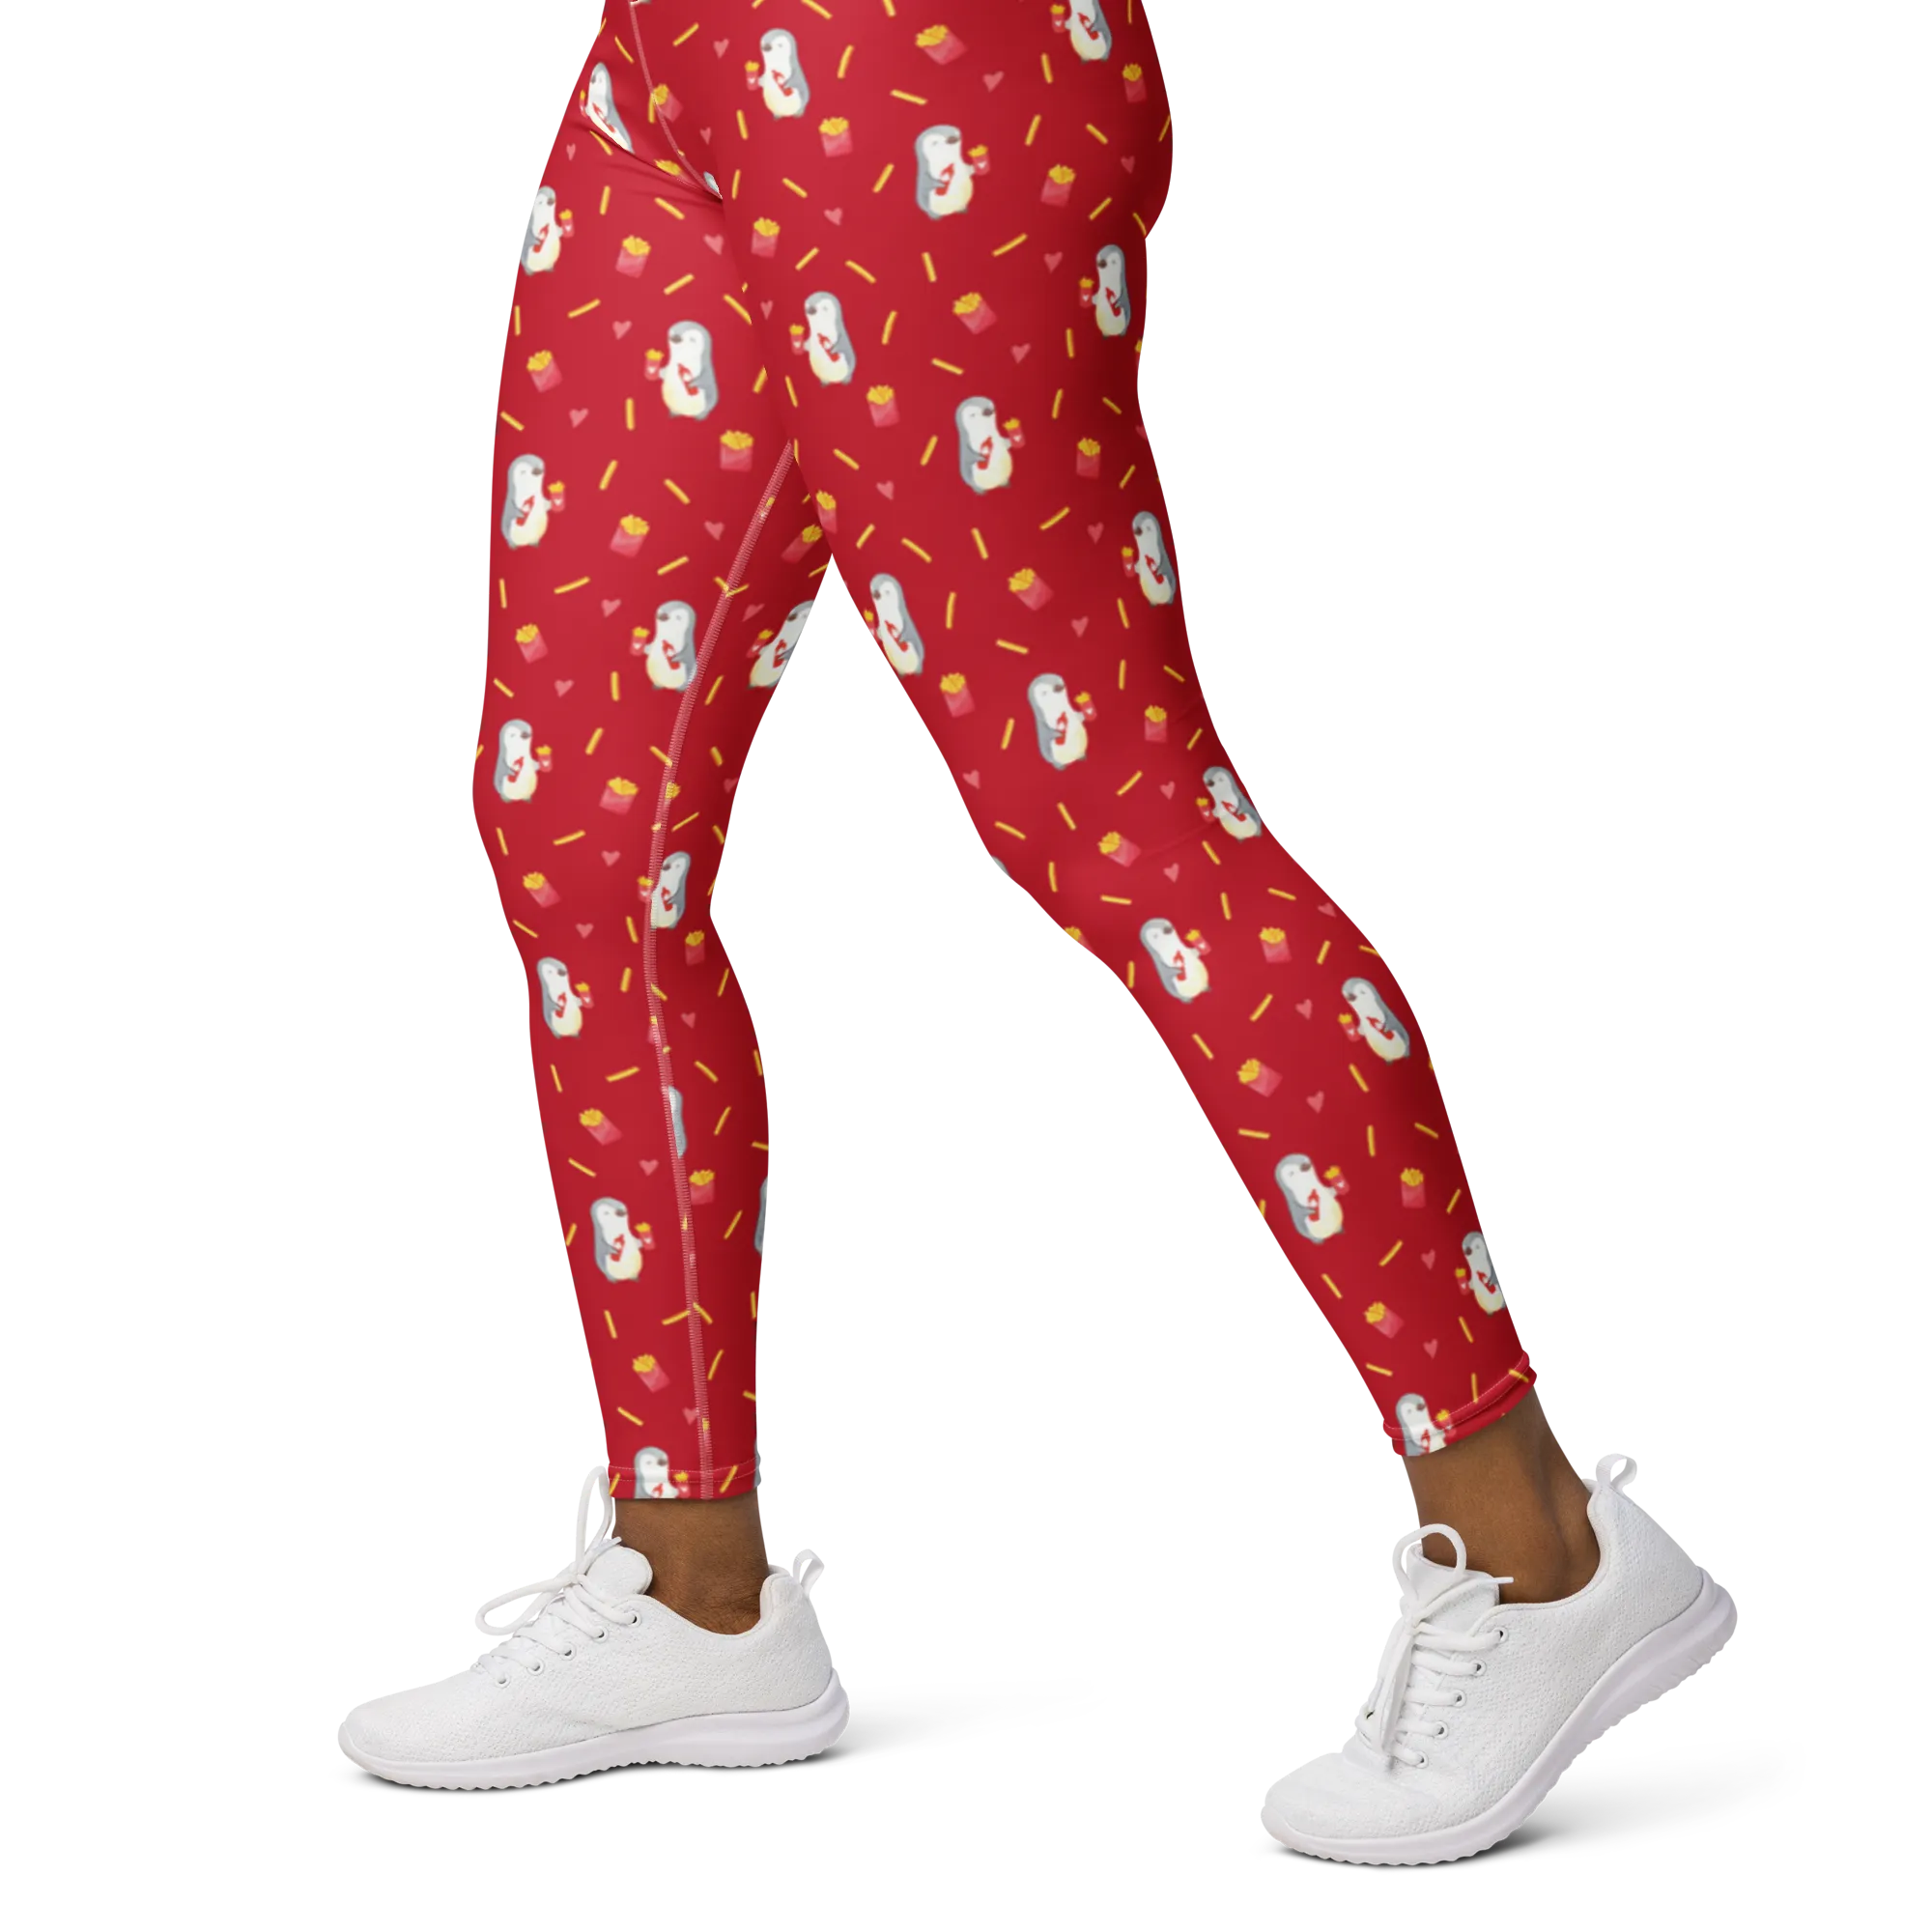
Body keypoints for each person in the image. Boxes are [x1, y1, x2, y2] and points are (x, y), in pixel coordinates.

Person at [333, 1, 1737, 1836]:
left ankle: (1551, 1557)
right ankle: (694, 1596)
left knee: (1120, 819)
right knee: (580, 849)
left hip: (925, 60)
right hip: (665, 72)